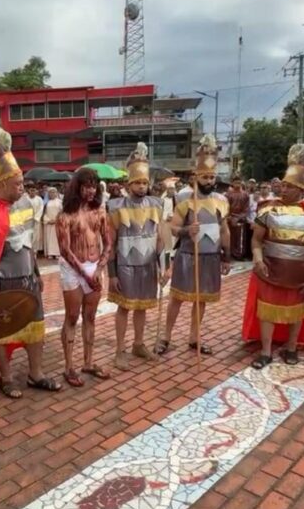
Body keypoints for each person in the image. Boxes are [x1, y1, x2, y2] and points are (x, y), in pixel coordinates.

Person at [0, 127, 60, 397]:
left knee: (35, 328)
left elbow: (28, 244)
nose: (22, 188)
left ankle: (35, 373)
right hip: (1, 283)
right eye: (17, 184)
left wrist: (37, 273)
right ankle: (5, 377)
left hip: (28, 279)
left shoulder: (27, 204)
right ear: (2, 183)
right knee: (0, 332)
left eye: (23, 183)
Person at [242, 144, 304, 369]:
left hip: (302, 271)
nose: (283, 190)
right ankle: (265, 351)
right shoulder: (268, 209)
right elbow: (256, 240)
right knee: (267, 311)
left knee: (297, 311)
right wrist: (257, 259)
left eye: (289, 186)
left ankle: (291, 347)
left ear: (301, 189)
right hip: (271, 268)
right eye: (282, 185)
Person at [155, 135, 231, 356]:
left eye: (212, 177)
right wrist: (188, 230)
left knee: (202, 300)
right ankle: (166, 337)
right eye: (205, 177)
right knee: (177, 298)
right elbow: (173, 229)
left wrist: (227, 256)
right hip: (188, 255)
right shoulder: (185, 201)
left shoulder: (221, 201)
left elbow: (225, 230)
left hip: (211, 257)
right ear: (196, 177)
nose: (209, 181)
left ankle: (194, 337)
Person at [106, 143, 163, 372]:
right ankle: (119, 350)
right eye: (138, 182)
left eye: (144, 182)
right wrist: (111, 274)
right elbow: (110, 243)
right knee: (124, 308)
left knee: (142, 307)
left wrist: (164, 267)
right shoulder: (116, 207)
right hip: (125, 266)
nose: (142, 186)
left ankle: (138, 344)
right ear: (129, 184)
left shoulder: (156, 205)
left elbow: (160, 238)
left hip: (148, 265)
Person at [56, 167, 113, 384]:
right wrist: (84, 273)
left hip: (94, 267)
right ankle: (69, 367)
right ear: (77, 186)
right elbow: (65, 250)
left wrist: (98, 270)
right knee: (72, 316)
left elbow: (108, 242)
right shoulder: (65, 216)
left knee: (90, 317)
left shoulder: (100, 212)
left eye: (94, 186)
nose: (91, 190)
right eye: (87, 185)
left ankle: (88, 363)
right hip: (72, 269)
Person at [226, 182, 252, 260]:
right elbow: (226, 208)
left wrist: (238, 218)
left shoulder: (245, 195)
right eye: (235, 182)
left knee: (240, 237)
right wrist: (230, 218)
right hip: (230, 218)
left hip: (240, 219)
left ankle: (239, 254)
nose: (237, 184)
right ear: (232, 183)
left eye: (238, 182)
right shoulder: (228, 195)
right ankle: (230, 253)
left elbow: (246, 208)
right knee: (230, 237)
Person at [43, 188, 62, 259]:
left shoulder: (60, 202)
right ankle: (50, 253)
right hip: (49, 222)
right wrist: (48, 220)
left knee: (56, 238)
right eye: (50, 192)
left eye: (53, 192)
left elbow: (62, 212)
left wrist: (56, 220)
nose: (52, 194)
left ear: (56, 193)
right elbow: (45, 213)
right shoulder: (47, 203)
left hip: (57, 222)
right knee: (49, 238)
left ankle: (57, 253)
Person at [26, 183, 45, 255]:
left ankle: (35, 251)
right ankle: (28, 250)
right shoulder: (26, 199)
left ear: (36, 191)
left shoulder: (39, 199)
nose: (32, 192)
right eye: (31, 190)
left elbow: (41, 208)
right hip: (27, 220)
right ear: (29, 191)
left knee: (36, 236)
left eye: (34, 190)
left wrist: (36, 218)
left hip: (36, 220)